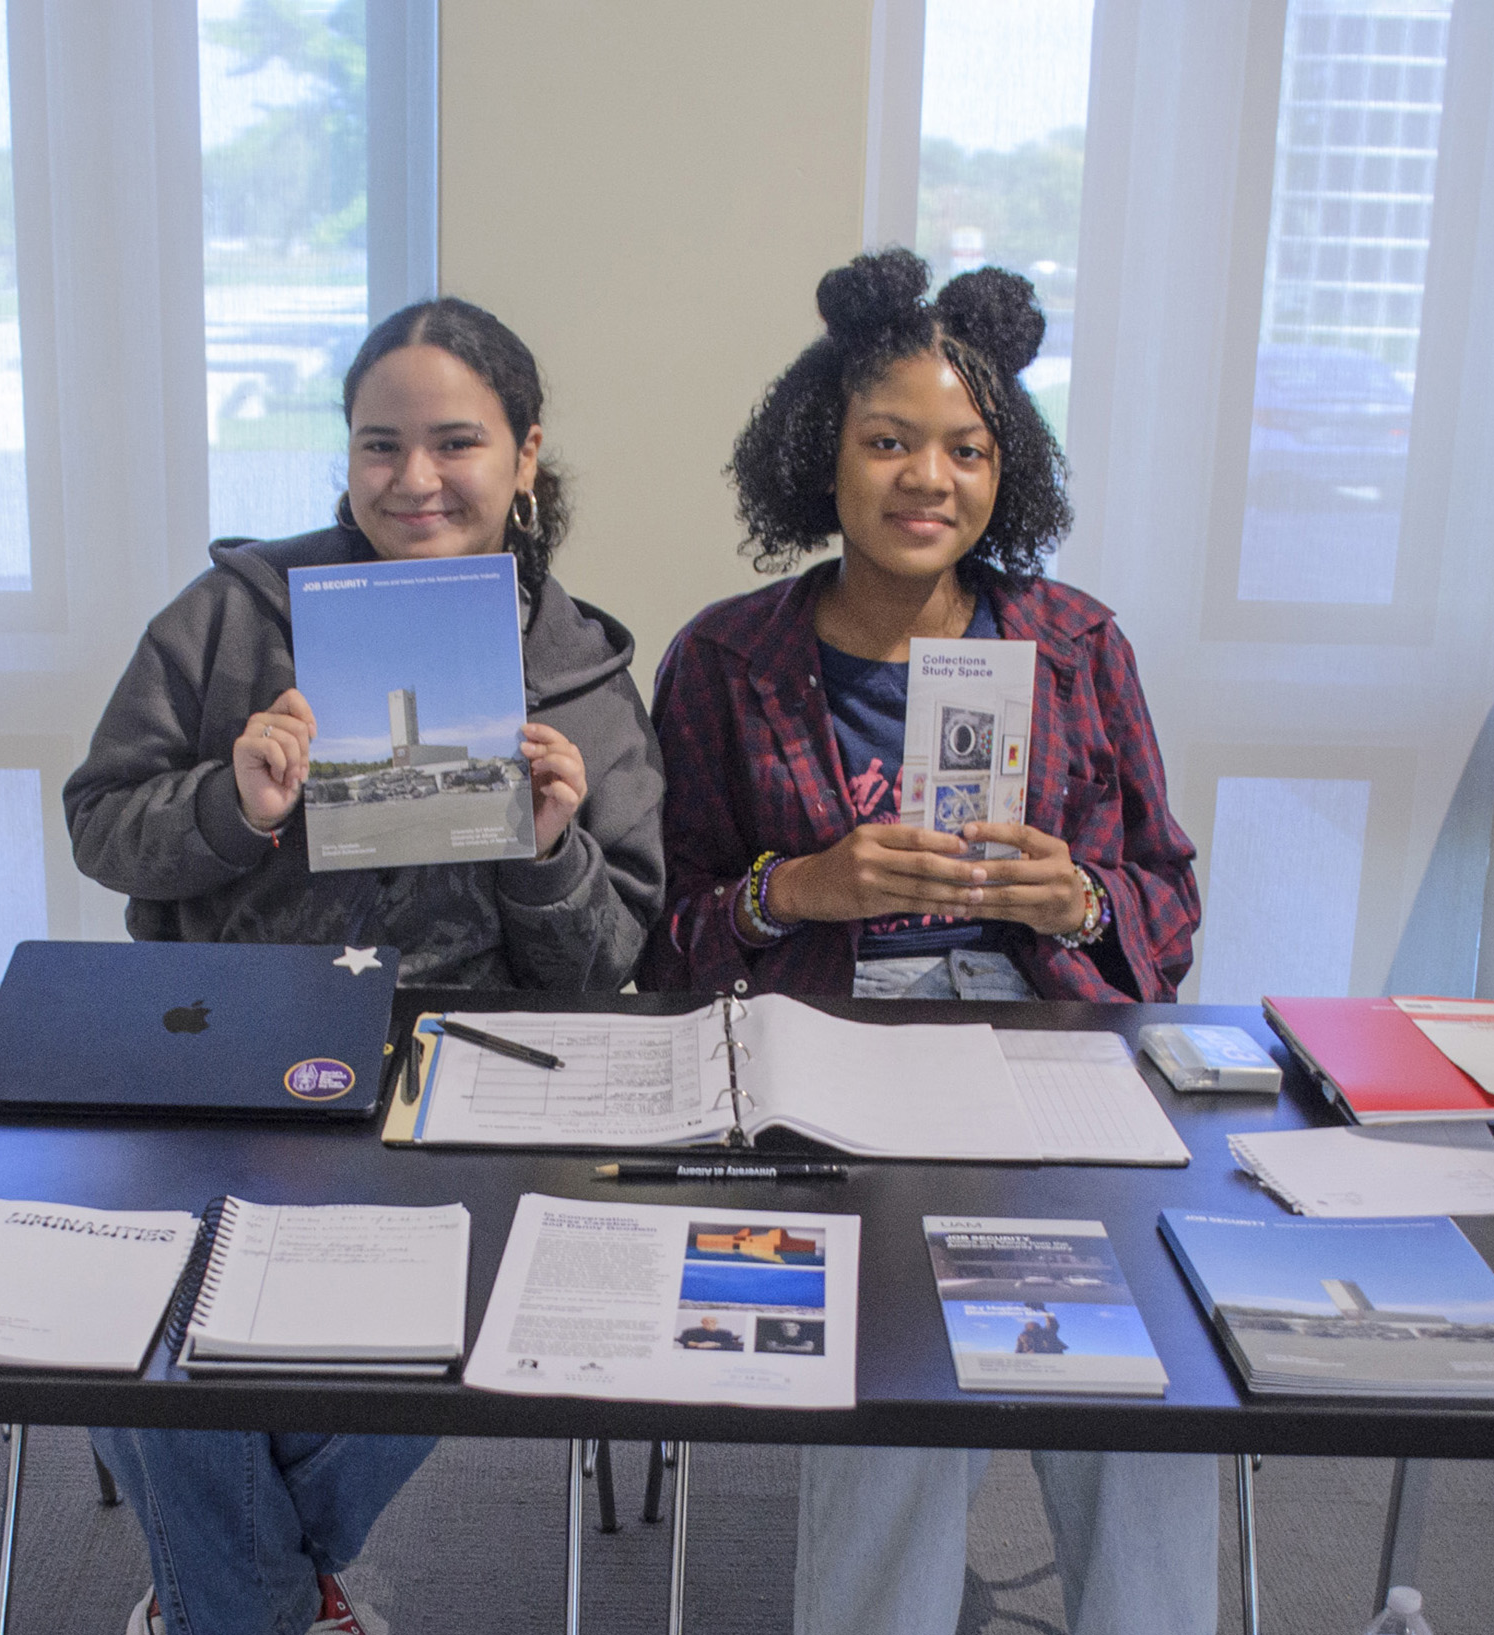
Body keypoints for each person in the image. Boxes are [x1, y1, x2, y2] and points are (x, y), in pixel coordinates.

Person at [65, 296, 664, 1635]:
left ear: (526, 454)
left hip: (481, 1074)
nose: (414, 480)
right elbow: (101, 826)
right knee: (161, 1299)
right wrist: (237, 800)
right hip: (229, 1048)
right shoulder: (228, 621)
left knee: (481, 1299)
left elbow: (606, 968)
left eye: (455, 443)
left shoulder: (578, 675)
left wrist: (549, 850)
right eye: (378, 444)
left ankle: (229, 1597)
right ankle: (274, 1604)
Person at [638, 249, 1215, 1635]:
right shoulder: (723, 660)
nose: (926, 480)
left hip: (1049, 1045)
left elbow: (1167, 904)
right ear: (818, 458)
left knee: (1136, 1379)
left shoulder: (1075, 646)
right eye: (886, 441)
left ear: (1004, 468)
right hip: (827, 1057)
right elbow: (659, 945)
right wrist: (798, 892)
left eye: (964, 448)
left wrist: (1073, 903)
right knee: (895, 1380)